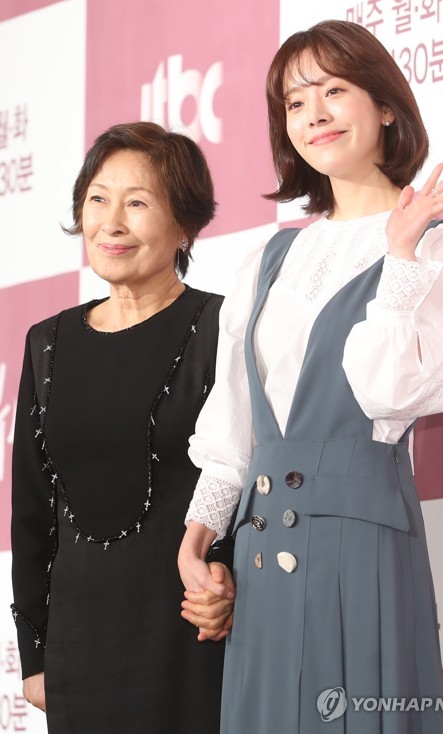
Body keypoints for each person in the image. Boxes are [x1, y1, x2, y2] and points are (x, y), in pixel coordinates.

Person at [178, 20, 443, 733]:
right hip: (261, 550)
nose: (313, 114)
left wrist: (400, 260)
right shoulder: (266, 258)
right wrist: (196, 541)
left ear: (385, 106)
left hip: (360, 543)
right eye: (294, 102)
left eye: (333, 91)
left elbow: (390, 395)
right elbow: (234, 426)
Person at [11, 121, 234, 734]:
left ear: (184, 225)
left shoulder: (223, 326)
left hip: (193, 631)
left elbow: (248, 475)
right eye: (97, 199)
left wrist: (228, 584)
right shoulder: (47, 343)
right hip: (79, 646)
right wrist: (35, 652)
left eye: (137, 203)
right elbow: (32, 510)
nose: (111, 223)